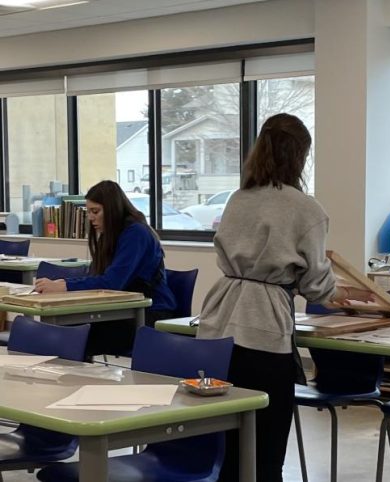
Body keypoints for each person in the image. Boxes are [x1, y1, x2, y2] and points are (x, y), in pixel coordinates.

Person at [198, 113, 372, 482]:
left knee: (227, 444)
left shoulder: (238, 198)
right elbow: (315, 286)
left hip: (218, 322)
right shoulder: (305, 208)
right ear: (300, 156)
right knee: (267, 449)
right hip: (262, 327)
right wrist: (339, 293)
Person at [34, 180, 177, 356]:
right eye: (88, 212)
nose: (91, 217)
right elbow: (98, 276)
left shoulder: (136, 233)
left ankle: (77, 381)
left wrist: (64, 285)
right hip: (120, 311)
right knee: (59, 331)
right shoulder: (110, 235)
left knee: (69, 337)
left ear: (113, 210)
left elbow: (112, 282)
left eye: (96, 211)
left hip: (150, 313)